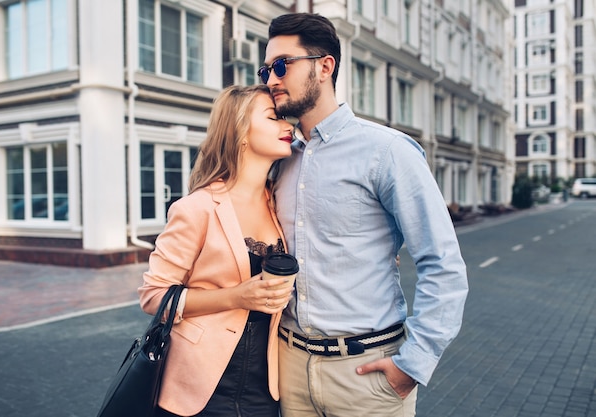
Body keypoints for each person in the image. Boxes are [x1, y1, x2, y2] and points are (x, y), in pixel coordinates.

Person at [260, 13, 469, 417]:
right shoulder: (281, 160)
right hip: (288, 371)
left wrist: (413, 365)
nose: (271, 79)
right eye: (267, 68)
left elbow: (442, 264)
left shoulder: (387, 151)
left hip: (366, 377)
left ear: (325, 66)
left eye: (282, 65)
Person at [138, 84, 296, 417]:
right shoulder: (196, 208)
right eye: (273, 118)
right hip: (198, 390)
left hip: (265, 393)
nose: (288, 126)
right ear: (240, 131)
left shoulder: (281, 205)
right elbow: (153, 296)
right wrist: (236, 297)